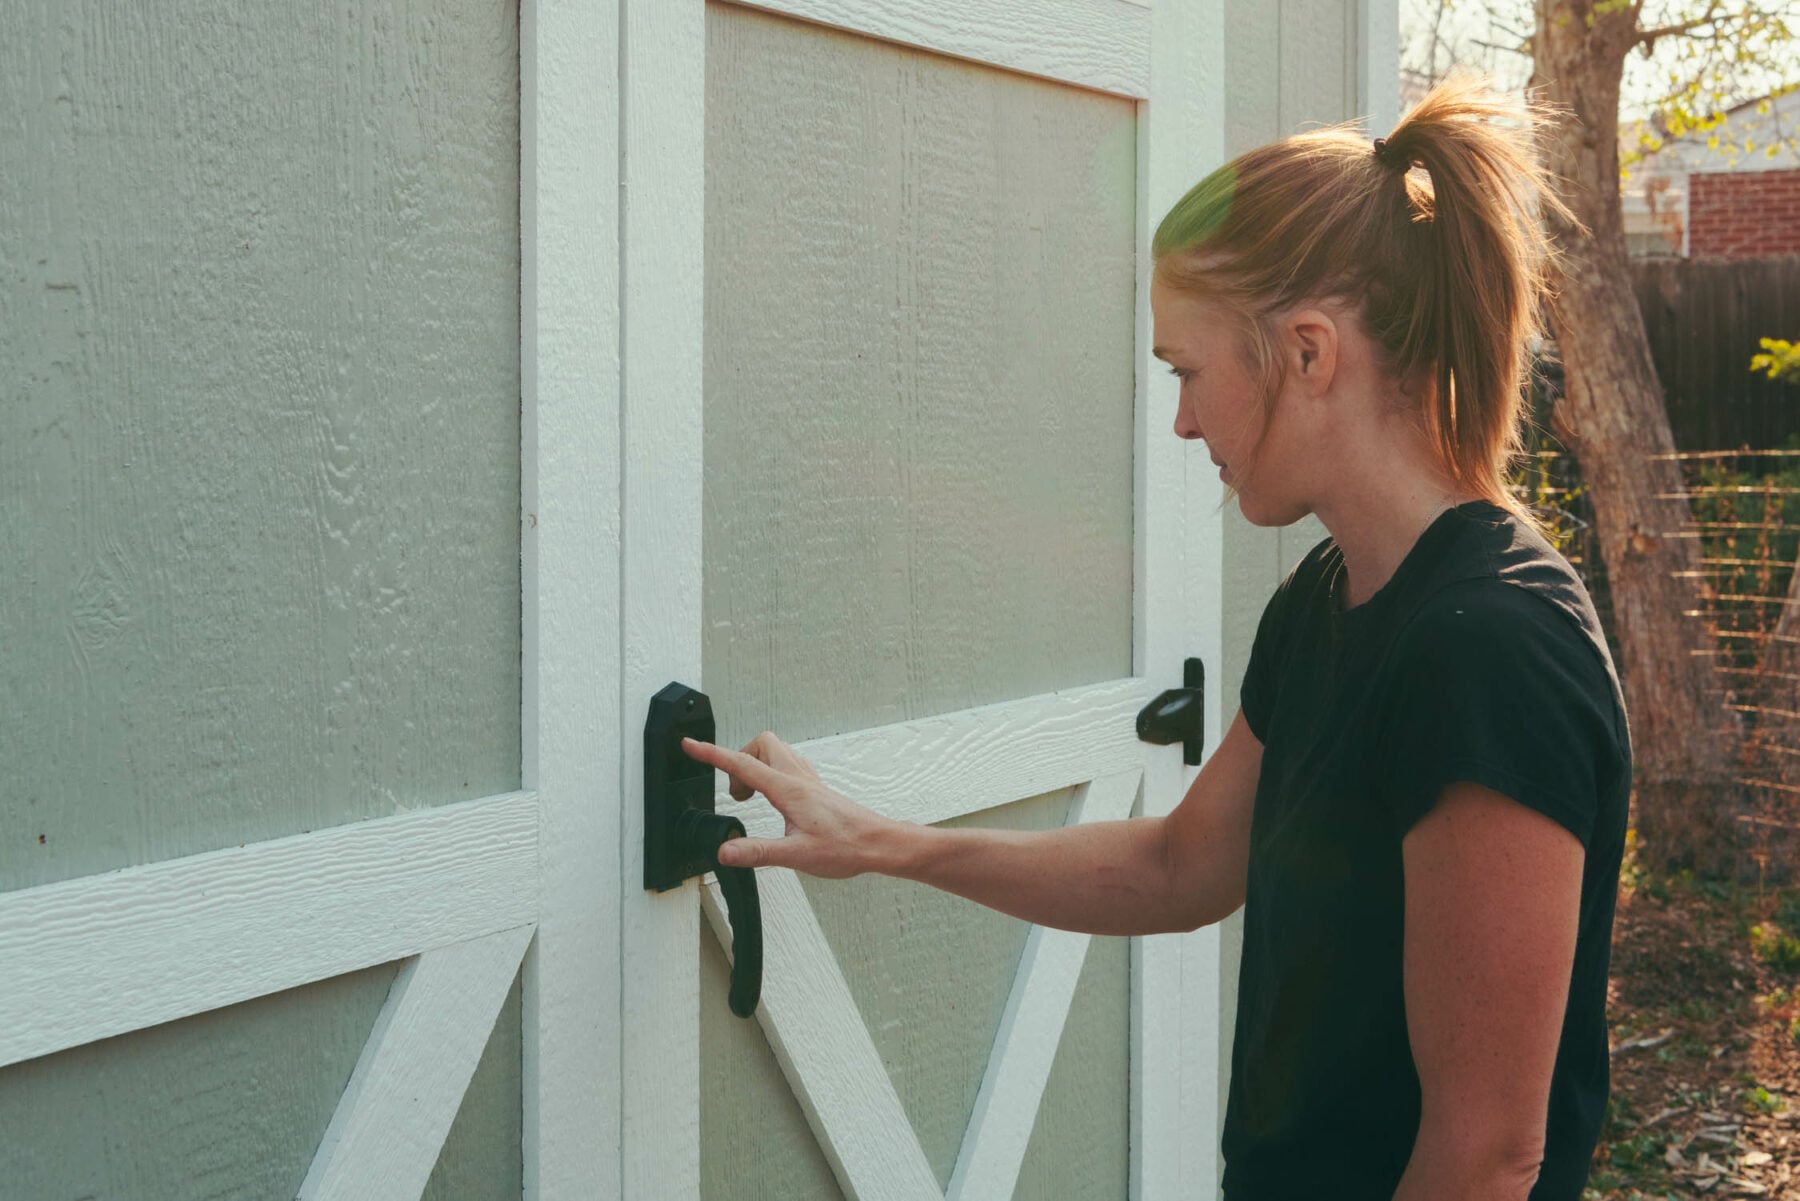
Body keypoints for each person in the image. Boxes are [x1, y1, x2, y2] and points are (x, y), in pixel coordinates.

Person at [682, 77, 1631, 1201]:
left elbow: (1486, 1156)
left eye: (1189, 371)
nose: (1182, 420)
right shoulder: (1329, 601)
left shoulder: (1490, 653)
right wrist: (883, 840)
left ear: (1311, 353)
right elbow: (1181, 865)